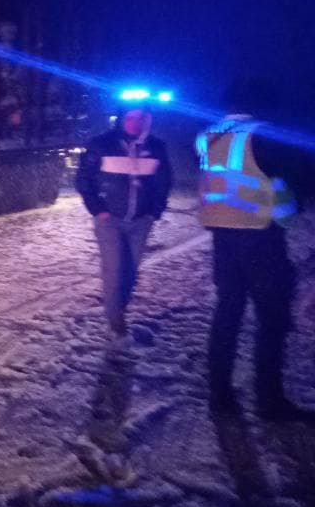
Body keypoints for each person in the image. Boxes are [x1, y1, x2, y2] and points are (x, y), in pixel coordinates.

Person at [198, 78, 308, 418]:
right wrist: (290, 215)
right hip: (261, 236)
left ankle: (220, 396)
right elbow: (282, 184)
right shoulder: (265, 135)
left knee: (228, 312)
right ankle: (269, 400)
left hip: (222, 235)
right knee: (272, 318)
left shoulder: (209, 135)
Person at [76, 99, 174, 341]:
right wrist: (98, 209)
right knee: (114, 269)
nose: (134, 123)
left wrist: (154, 211)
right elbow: (83, 179)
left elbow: (164, 182)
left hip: (141, 221)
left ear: (147, 121)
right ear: (121, 119)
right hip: (109, 219)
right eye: (130, 118)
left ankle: (119, 307)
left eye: (140, 119)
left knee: (130, 271)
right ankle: (116, 323)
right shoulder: (101, 145)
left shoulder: (156, 147)